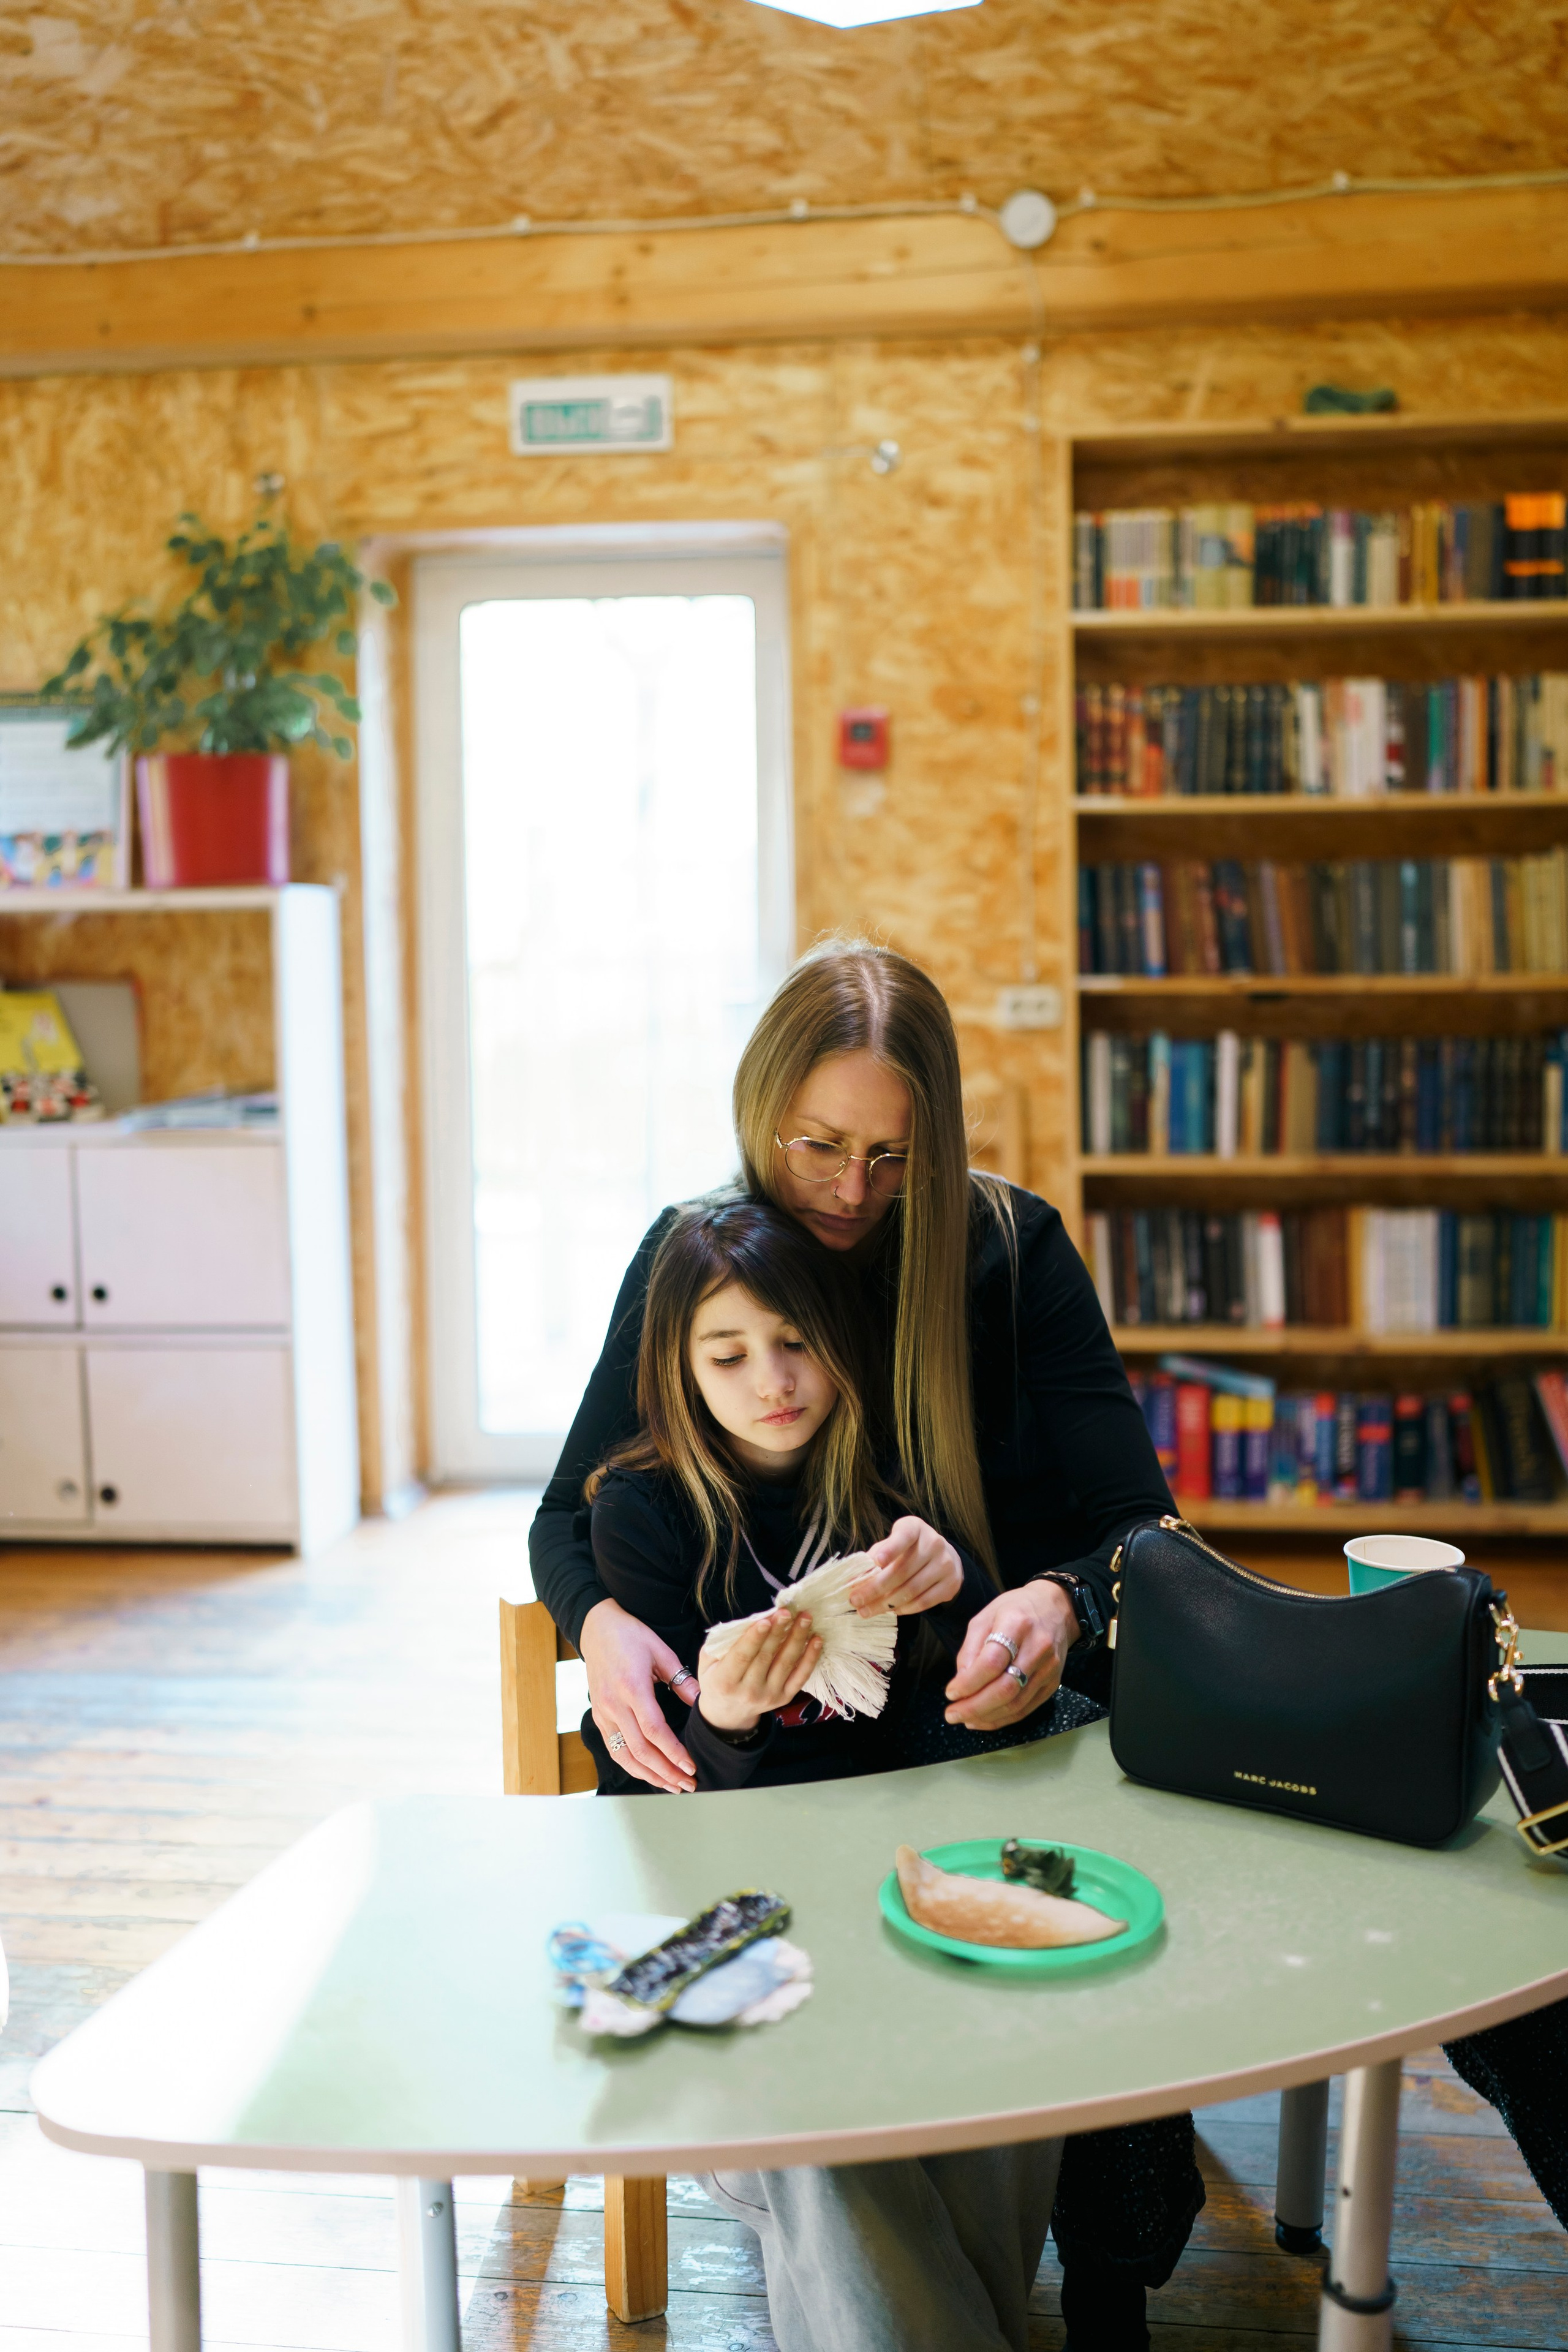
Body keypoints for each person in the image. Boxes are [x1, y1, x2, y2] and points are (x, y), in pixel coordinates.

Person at [532, 938, 1205, 2350]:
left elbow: (1140, 1525)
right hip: (755, 1802)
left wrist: (1061, 1600)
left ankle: (1105, 2278)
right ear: (757, 1112)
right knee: (823, 2064)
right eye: (820, 1146)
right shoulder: (701, 1260)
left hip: (973, 1739)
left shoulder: (1008, 1252)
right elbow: (571, 1518)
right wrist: (599, 1626)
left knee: (1070, 1928)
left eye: (895, 1158)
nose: (849, 1193)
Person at [585, 1196, 994, 1795]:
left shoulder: (888, 1481)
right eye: (728, 1357)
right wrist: (726, 1717)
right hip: (709, 1834)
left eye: (798, 1342)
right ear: (682, 1369)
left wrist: (955, 1583)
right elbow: (658, 1797)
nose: (774, 1384)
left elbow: (983, 1694)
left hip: (876, 1820)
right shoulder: (640, 1513)